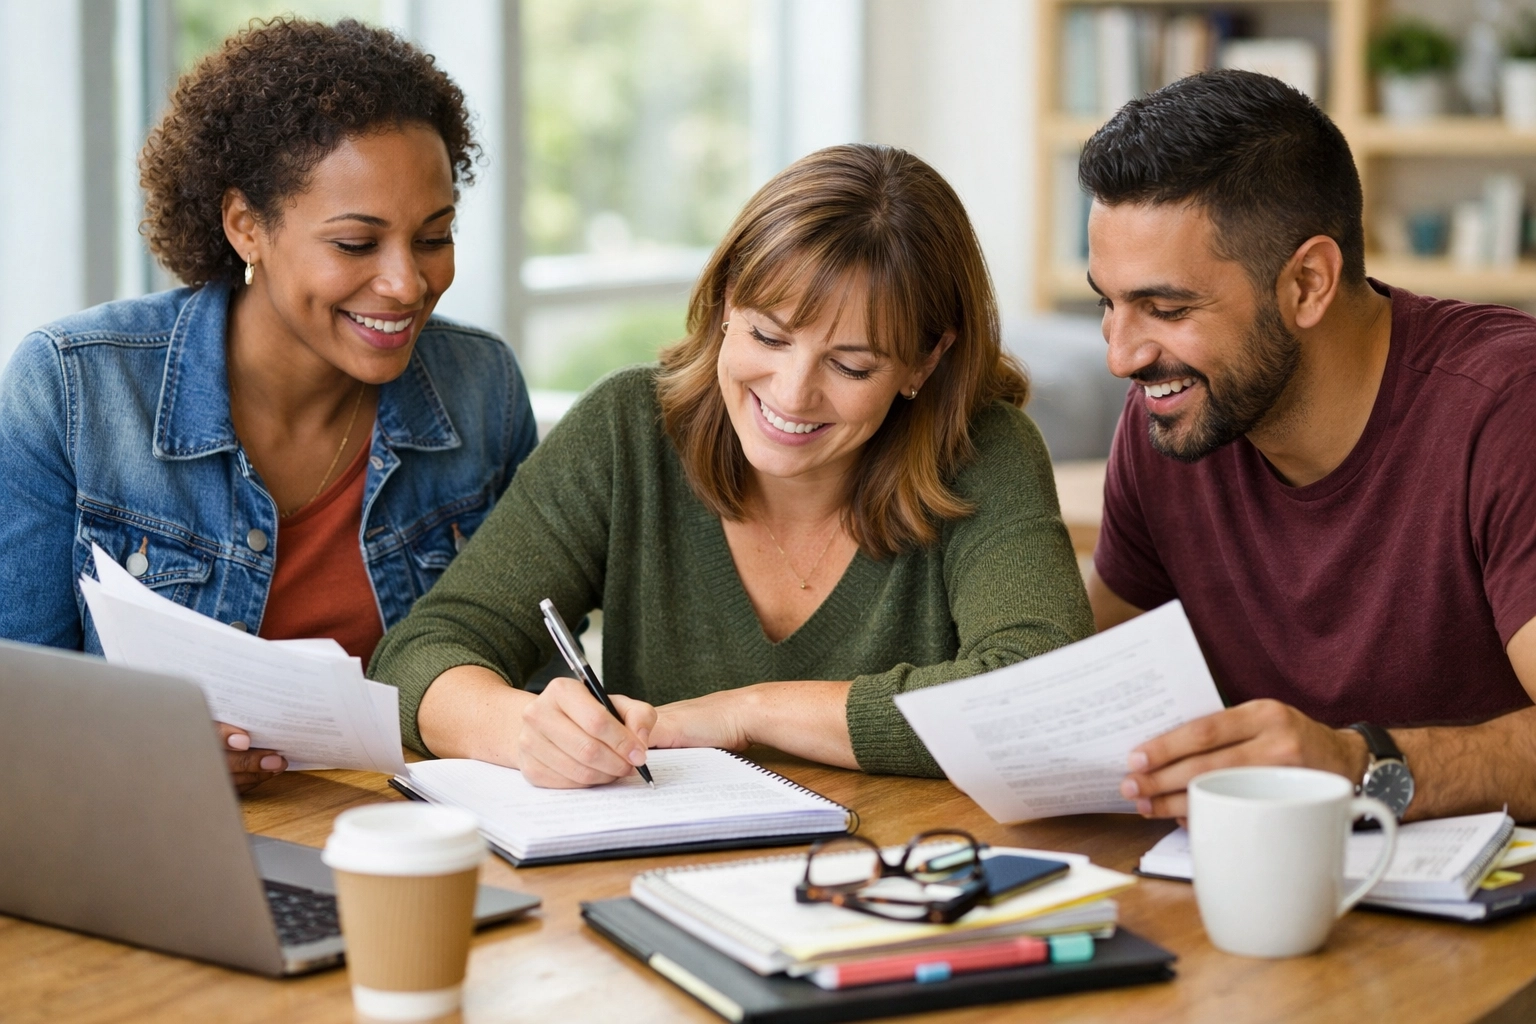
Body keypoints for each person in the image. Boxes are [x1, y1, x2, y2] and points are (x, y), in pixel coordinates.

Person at [370, 143, 1094, 787]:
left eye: (850, 364)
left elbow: (1041, 693)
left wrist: (750, 712)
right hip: (657, 884)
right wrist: (525, 732)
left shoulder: (982, 451)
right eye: (769, 337)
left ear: (926, 359)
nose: (792, 393)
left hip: (899, 887)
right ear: (724, 303)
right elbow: (418, 657)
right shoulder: (628, 432)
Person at [0, 18, 536, 791]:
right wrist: (143, 749)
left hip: (419, 836)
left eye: (433, 237)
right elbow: (18, 706)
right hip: (161, 833)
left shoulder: (480, 389)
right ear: (246, 226)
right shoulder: (76, 388)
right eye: (356, 243)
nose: (407, 284)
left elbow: (527, 671)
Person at [1078, 70, 1536, 823]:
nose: (1121, 357)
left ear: (1309, 283)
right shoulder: (1169, 417)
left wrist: (1359, 765)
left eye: (1164, 308)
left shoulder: (1506, 407)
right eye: (1108, 302)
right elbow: (1104, 690)